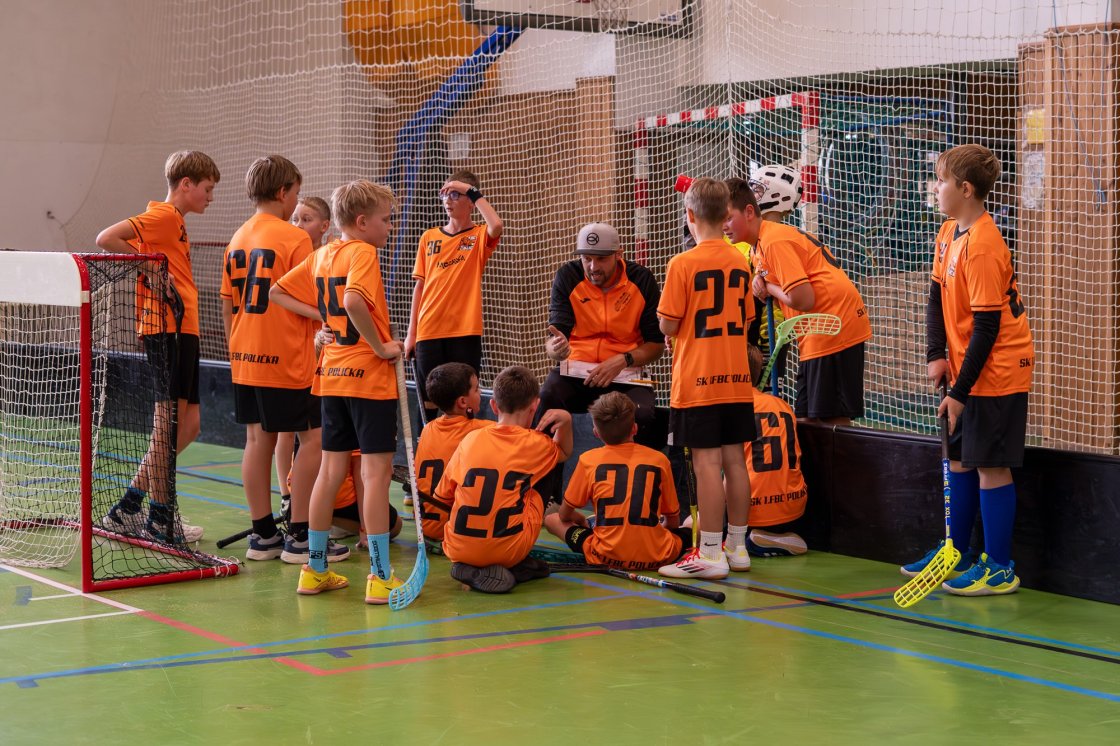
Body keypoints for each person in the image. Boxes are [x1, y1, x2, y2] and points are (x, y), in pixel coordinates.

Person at [901, 144, 1033, 596]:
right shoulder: (947, 232)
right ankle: (954, 552)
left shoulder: (983, 246)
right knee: (958, 459)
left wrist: (959, 393)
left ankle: (999, 567)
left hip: (997, 370)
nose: (934, 187)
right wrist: (935, 354)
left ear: (966, 189)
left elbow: (988, 328)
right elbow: (935, 297)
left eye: (941, 180)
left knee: (990, 466)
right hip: (965, 368)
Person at [271, 179, 405, 604]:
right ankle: (380, 576)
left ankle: (314, 570)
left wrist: (322, 322)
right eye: (386, 220)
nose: (390, 227)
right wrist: (381, 346)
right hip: (367, 377)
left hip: (331, 376)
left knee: (329, 473)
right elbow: (352, 301)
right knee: (374, 475)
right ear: (362, 222)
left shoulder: (323, 254)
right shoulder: (363, 253)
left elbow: (277, 291)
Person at [96, 150, 220, 544]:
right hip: (165, 329)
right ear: (185, 184)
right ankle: (159, 518)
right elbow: (106, 238)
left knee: (189, 426)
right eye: (207, 189)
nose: (210, 197)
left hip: (184, 329)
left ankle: (129, 506)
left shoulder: (176, 222)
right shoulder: (164, 216)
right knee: (166, 426)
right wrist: (149, 264)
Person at [221, 156, 335, 563]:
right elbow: (304, 296)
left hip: (244, 354)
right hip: (286, 355)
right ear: (283, 192)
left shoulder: (237, 237)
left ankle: (263, 535)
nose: (296, 203)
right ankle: (300, 535)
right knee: (313, 439)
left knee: (256, 441)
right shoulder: (294, 238)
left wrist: (236, 349)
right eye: (296, 194)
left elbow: (227, 303)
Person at [657, 177, 755, 579]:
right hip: (736, 379)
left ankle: (710, 553)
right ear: (726, 215)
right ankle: (737, 546)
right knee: (735, 462)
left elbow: (668, 323)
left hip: (699, 380)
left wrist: (674, 330)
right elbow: (745, 320)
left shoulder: (682, 263)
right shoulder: (740, 260)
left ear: (690, 215)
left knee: (707, 464)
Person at [538, 222, 665, 502]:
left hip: (625, 372)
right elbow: (554, 339)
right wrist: (556, 350)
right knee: (547, 399)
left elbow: (656, 346)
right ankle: (545, 497)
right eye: (587, 258)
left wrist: (624, 359)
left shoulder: (641, 280)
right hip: (577, 371)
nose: (593, 267)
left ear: (619, 254)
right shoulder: (568, 276)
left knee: (644, 416)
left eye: (601, 259)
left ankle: (638, 501)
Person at [743, 170, 870, 425]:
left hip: (833, 325)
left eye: (758, 190)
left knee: (831, 420)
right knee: (806, 417)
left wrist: (768, 287)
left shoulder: (774, 238)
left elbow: (802, 298)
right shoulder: (763, 241)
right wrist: (762, 281)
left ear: (777, 195)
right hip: (815, 330)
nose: (752, 196)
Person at [438, 365, 573, 593]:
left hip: (456, 548)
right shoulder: (538, 444)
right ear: (535, 406)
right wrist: (566, 420)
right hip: (509, 552)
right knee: (546, 466)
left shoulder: (470, 438)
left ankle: (474, 565)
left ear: (493, 405)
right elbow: (564, 452)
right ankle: (515, 565)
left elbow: (444, 495)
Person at [544, 392, 691, 570]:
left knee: (551, 519)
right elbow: (672, 522)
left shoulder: (588, 460)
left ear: (596, 433)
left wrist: (583, 521)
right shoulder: (660, 460)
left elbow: (564, 516)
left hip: (603, 556)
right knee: (692, 523)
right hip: (658, 557)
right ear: (634, 428)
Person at [405, 169, 503, 425]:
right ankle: (426, 445)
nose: (448, 200)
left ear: (471, 201)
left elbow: (496, 225)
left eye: (456, 194)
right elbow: (420, 287)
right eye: (445, 194)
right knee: (428, 400)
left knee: (464, 399)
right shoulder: (429, 237)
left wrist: (471, 190)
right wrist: (411, 334)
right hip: (429, 330)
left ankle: (463, 448)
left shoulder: (478, 235)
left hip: (465, 330)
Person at [274, 195, 334, 521]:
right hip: (294, 350)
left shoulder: (329, 258)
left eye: (306, 219)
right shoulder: (291, 258)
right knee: (287, 430)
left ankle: (313, 498)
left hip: (326, 355)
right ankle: (287, 496)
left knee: (316, 433)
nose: (298, 225)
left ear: (325, 226)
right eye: (295, 218)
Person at [414, 362, 494, 545]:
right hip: (455, 529)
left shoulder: (428, 429)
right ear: (463, 402)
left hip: (425, 526)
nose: (480, 392)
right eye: (476, 389)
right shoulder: (482, 430)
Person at [742, 345, 808, 557]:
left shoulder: (731, 409)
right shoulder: (782, 404)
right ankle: (768, 537)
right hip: (795, 508)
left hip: (753, 513)